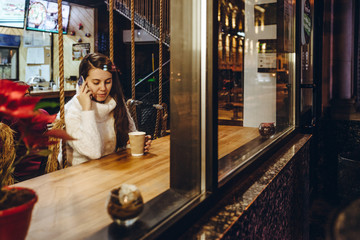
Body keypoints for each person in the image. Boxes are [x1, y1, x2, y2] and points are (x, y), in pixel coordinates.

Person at [58, 53, 151, 166]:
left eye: (108, 82)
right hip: (80, 177)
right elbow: (93, 153)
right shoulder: (71, 110)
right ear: (82, 81)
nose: (103, 88)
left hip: (111, 169)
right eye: (96, 82)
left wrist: (139, 144)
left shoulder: (116, 103)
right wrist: (87, 109)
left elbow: (129, 138)